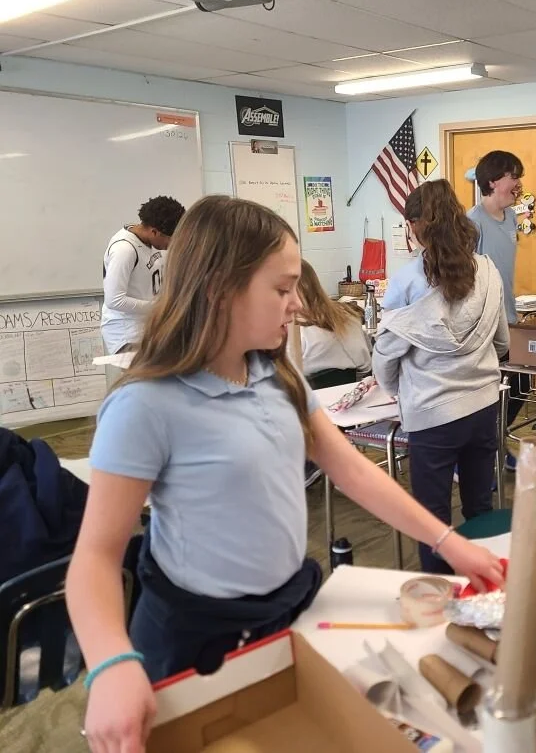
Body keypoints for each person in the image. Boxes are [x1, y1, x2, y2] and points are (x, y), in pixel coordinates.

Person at [67, 195, 503, 752]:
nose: (298, 304)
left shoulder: (277, 377)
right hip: (195, 638)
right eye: (281, 289)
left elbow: (352, 472)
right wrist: (110, 664)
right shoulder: (145, 406)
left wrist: (448, 542)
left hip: (287, 611)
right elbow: (95, 559)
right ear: (218, 289)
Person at [372, 180, 509, 573]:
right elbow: (500, 341)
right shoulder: (487, 270)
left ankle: (442, 606)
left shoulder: (407, 281)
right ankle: (485, 592)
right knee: (480, 508)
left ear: (416, 225)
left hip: (432, 414)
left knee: (432, 520)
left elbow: (386, 353)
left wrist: (396, 390)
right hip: (483, 403)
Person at [467, 150, 526, 467]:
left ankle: (495, 441)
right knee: (488, 391)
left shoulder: (513, 217)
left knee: (522, 381)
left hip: (510, 317)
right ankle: (485, 451)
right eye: (513, 176)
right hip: (483, 325)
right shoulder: (472, 223)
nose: (518, 184)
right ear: (492, 181)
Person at [100, 196, 185, 354]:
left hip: (148, 328)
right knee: (149, 377)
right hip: (126, 333)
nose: (173, 244)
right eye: (171, 239)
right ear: (154, 231)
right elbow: (114, 300)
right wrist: (159, 307)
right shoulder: (124, 250)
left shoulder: (153, 242)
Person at [294, 258, 371, 379]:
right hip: (350, 390)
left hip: (308, 394)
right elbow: (366, 366)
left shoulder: (295, 333)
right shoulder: (349, 317)